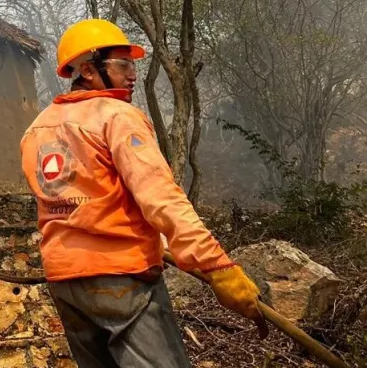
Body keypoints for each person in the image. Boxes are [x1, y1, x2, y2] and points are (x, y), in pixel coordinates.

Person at [19, 19, 265, 368]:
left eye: (133, 65)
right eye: (122, 65)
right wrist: (217, 265)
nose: (132, 74)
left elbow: (77, 201)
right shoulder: (117, 116)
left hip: (65, 282)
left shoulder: (36, 128)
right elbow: (161, 196)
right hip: (121, 282)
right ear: (88, 70)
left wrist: (162, 245)